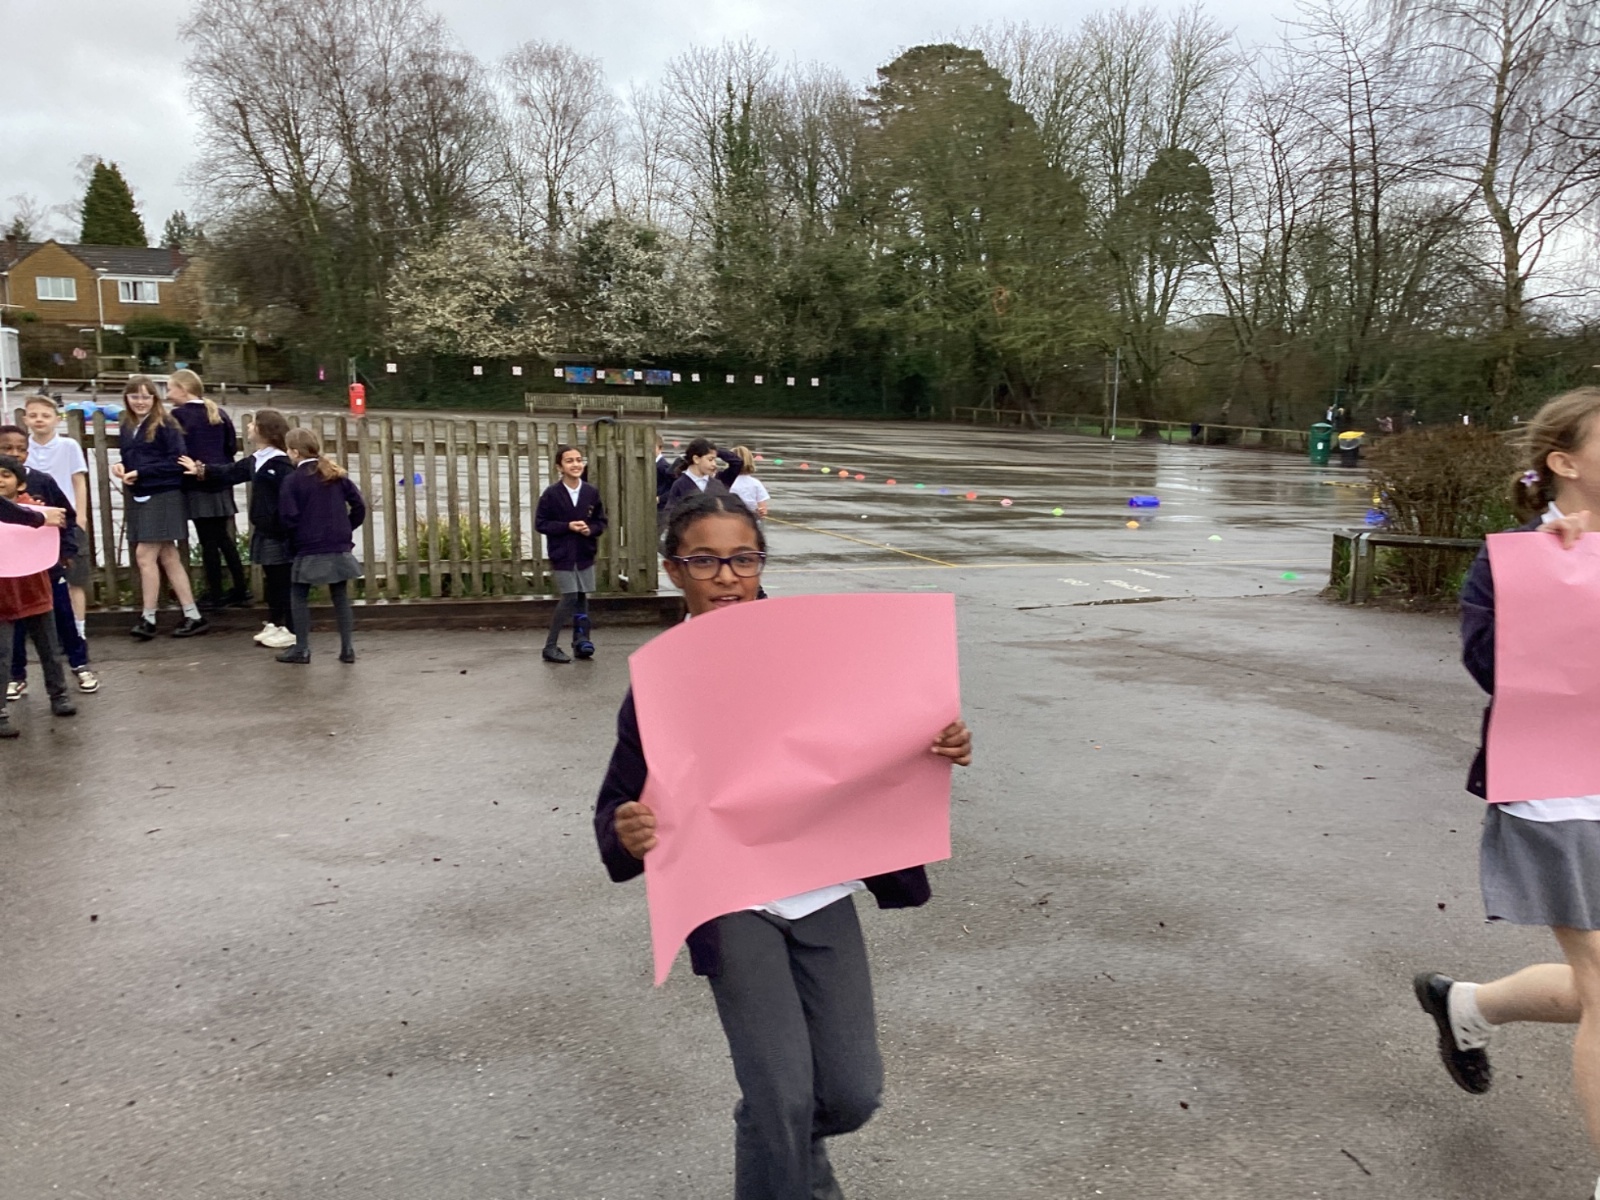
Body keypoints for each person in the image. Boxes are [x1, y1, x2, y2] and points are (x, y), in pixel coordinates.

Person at [594, 491, 974, 1200]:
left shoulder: (813, 652)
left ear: (761, 563)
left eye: (743, 558)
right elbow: (618, 800)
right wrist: (626, 828)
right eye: (704, 560)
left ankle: (786, 1149)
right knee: (780, 1097)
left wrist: (937, 741)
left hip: (820, 888)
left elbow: (881, 731)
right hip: (728, 900)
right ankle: (785, 1151)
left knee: (851, 1093)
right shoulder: (661, 682)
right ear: (674, 570)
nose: (726, 576)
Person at [1414, 388, 1600, 1199]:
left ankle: (1468, 1006)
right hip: (1561, 795)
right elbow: (1493, 667)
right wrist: (1561, 586)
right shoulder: (1517, 559)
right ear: (1564, 462)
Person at [180, 409, 297, 650]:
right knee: (272, 579)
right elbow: (231, 472)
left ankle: (292, 629)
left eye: (253, 424)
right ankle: (275, 622)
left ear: (265, 430)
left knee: (283, 580)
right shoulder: (258, 459)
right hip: (265, 530)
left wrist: (286, 525)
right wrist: (202, 470)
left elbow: (292, 498)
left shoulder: (282, 463)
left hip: (281, 532)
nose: (249, 427)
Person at [0, 426, 97, 696]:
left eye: (20, 449)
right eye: (6, 448)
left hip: (45, 571)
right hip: (7, 577)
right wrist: (39, 518)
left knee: (62, 620)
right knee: (11, 631)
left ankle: (79, 665)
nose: (14, 453)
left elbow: (65, 517)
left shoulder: (42, 482)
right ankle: (15, 676)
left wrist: (65, 552)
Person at [113, 376, 209, 640]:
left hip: (164, 494)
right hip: (141, 493)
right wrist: (122, 467)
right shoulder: (127, 425)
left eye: (146, 396)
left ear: (154, 398)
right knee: (168, 556)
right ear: (126, 398)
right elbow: (130, 457)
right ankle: (193, 615)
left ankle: (148, 619)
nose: (140, 402)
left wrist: (141, 472)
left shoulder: (167, 423)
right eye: (135, 396)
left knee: (144, 556)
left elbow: (178, 462)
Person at [0, 455, 77, 737]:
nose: (0, 480)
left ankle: (59, 695)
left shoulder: (38, 508)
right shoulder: (35, 514)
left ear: (21, 483)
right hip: (2, 593)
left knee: (49, 647)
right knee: (2, 654)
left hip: (34, 587)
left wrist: (64, 549)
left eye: (6, 475)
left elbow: (62, 526)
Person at [276, 427, 366, 665]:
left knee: (298, 594)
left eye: (288, 450)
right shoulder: (335, 474)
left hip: (308, 545)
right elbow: (359, 506)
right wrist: (346, 528)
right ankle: (347, 649)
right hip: (337, 544)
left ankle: (302, 649)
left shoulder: (292, 480)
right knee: (340, 595)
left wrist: (293, 541)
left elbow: (288, 518)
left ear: (295, 452)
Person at [168, 369, 250, 610]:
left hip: (197, 484)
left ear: (183, 389)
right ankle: (241, 590)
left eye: (170, 388)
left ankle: (215, 595)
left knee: (208, 542)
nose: (168, 394)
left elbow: (175, 451)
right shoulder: (219, 413)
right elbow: (231, 447)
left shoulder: (178, 416)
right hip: (221, 481)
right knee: (224, 539)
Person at [21, 393, 91, 643]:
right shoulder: (23, 449)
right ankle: (48, 634)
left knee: (75, 577)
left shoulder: (68, 446)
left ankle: (79, 630)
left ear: (56, 419)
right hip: (33, 522)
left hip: (65, 520)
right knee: (39, 578)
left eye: (45, 415)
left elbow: (78, 481)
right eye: (33, 415)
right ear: (25, 419)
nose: (39, 420)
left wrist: (80, 516)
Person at [534, 444, 608, 664]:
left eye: (578, 460)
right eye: (569, 461)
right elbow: (541, 523)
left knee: (583, 595)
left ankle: (581, 641)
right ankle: (550, 645)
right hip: (562, 554)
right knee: (570, 596)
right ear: (560, 467)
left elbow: (601, 522)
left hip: (585, 552)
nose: (575, 464)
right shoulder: (552, 494)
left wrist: (590, 530)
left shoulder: (591, 492)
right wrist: (567, 526)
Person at [662, 437, 743, 512]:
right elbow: (669, 513)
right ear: (696, 459)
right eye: (710, 459)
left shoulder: (718, 483)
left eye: (715, 460)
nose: (714, 464)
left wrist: (713, 450)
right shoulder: (680, 484)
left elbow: (737, 462)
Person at [727, 446, 770, 520]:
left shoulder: (723, 482)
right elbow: (763, 510)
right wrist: (760, 513)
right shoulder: (756, 483)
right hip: (751, 522)